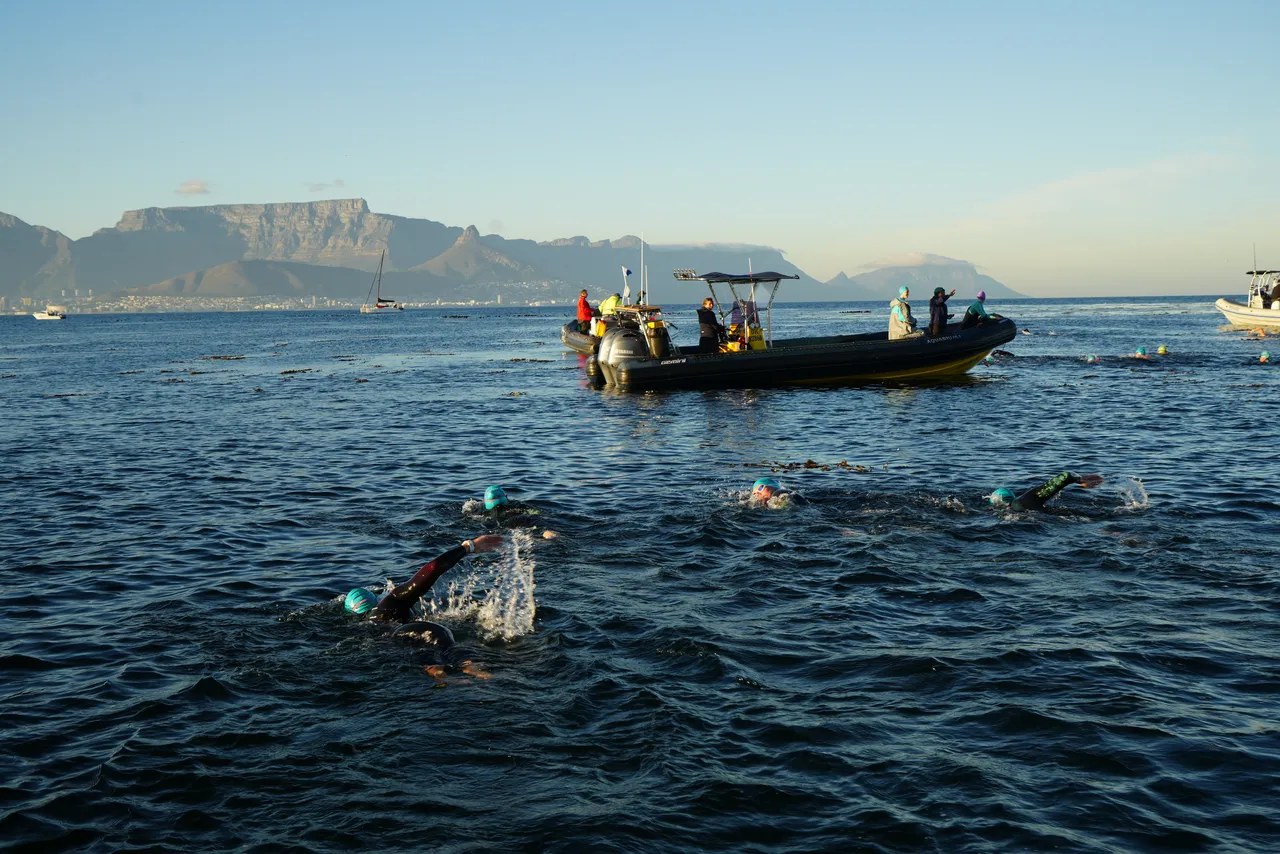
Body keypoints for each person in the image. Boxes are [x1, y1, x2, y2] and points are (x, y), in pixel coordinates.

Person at [343, 534, 504, 677]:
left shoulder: (366, 626)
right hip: (417, 629)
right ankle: (473, 668)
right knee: (445, 642)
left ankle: (438, 674)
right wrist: (468, 547)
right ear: (375, 600)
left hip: (396, 643)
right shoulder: (391, 601)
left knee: (426, 654)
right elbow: (432, 569)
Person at [989, 472, 1104, 512]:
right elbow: (1064, 476)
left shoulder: (1007, 512)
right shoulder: (1029, 497)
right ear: (1012, 495)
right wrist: (1080, 480)